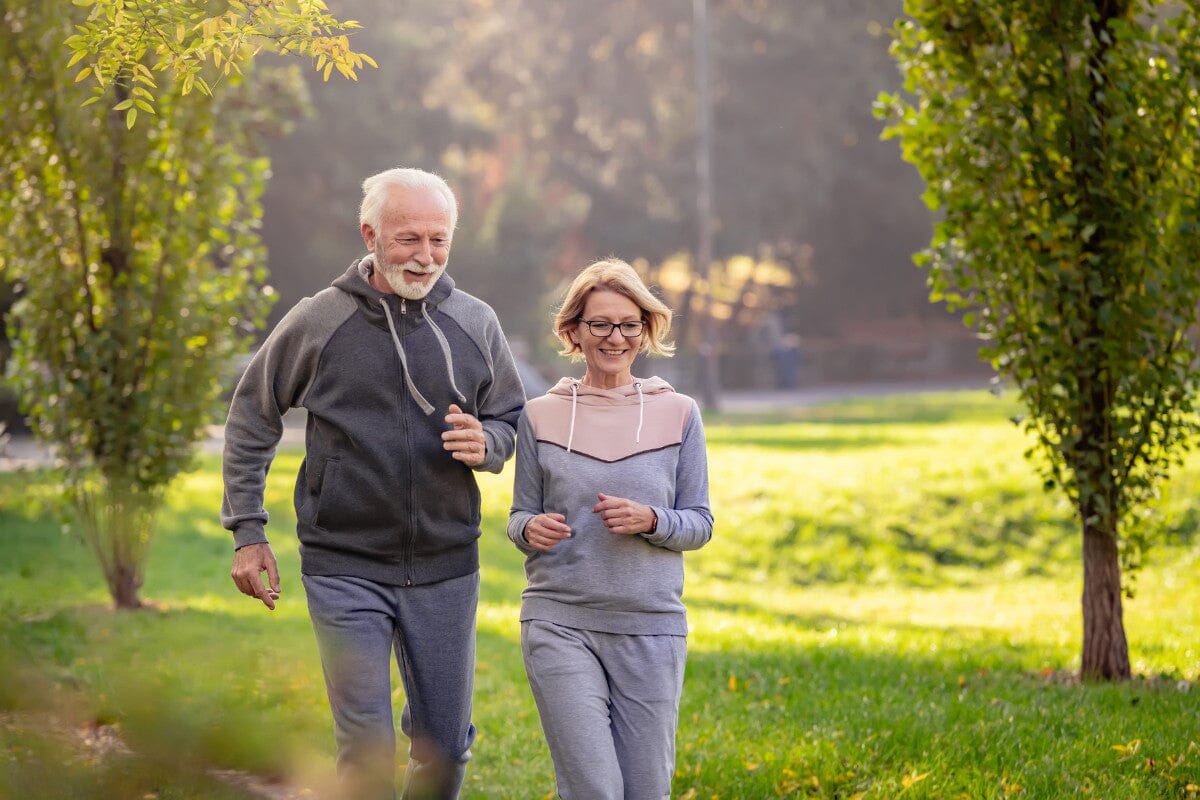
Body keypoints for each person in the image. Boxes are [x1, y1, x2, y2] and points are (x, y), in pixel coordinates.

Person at [221, 167, 526, 800]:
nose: (426, 255)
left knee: (445, 747)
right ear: (370, 234)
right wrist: (248, 532)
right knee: (366, 749)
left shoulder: (476, 322)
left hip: (446, 563)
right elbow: (253, 414)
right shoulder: (319, 321)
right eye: (409, 238)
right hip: (344, 563)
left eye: (439, 239)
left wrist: (489, 444)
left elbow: (510, 415)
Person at [507, 258, 714, 799]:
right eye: (600, 323)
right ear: (574, 330)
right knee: (593, 790)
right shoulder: (539, 416)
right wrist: (532, 530)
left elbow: (700, 522)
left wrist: (652, 521)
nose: (615, 337)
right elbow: (518, 516)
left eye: (628, 324)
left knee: (646, 790)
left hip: (650, 627)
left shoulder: (681, 414)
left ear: (644, 331)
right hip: (560, 623)